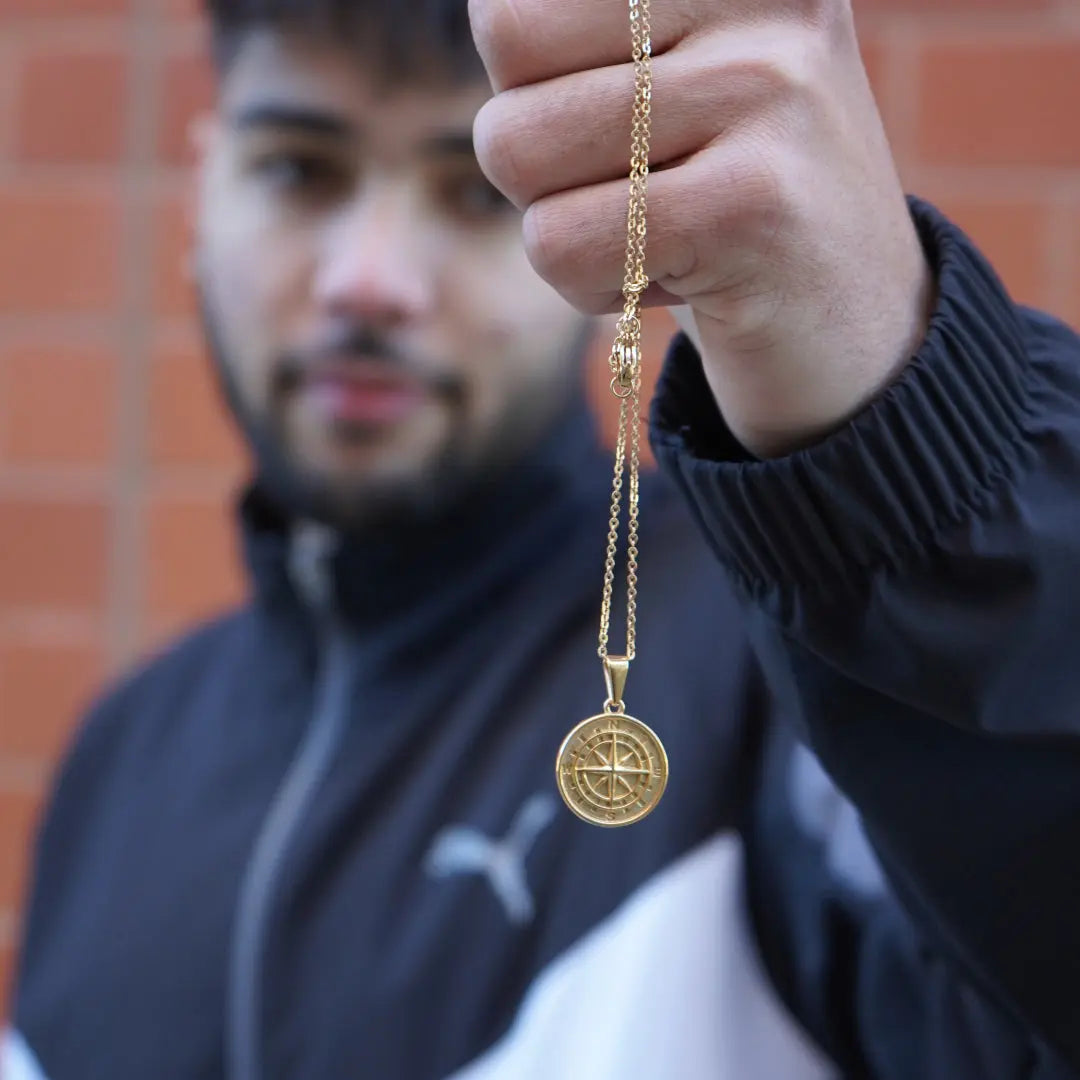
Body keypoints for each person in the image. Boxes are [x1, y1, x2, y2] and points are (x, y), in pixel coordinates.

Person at [5, 0, 1080, 1075]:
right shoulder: (121, 754)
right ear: (201, 190)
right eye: (300, 170)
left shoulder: (800, 667)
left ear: (610, 223)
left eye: (477, 189)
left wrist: (909, 454)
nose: (368, 282)